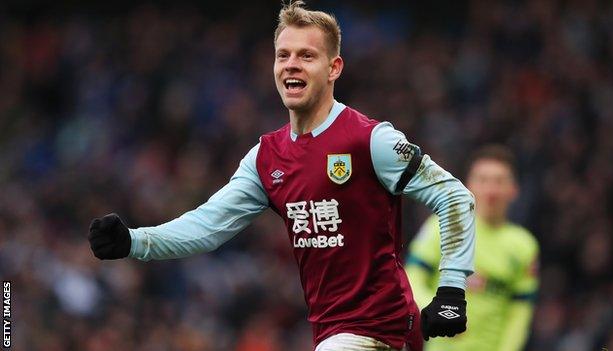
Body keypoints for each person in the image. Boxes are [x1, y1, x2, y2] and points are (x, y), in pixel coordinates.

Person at [87, 1, 476, 350]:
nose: (291, 64)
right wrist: (133, 242)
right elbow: (205, 226)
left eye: (307, 56)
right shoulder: (266, 158)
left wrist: (452, 290)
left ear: (333, 68)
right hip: (331, 331)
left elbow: (455, 196)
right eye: (283, 55)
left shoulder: (370, 140)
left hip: (380, 330)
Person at [406, 145, 539, 351]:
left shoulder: (524, 245)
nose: (491, 190)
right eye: (483, 180)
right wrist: (436, 313)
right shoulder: (443, 225)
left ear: (513, 190)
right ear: (468, 186)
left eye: (499, 181)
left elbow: (520, 313)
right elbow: (412, 278)